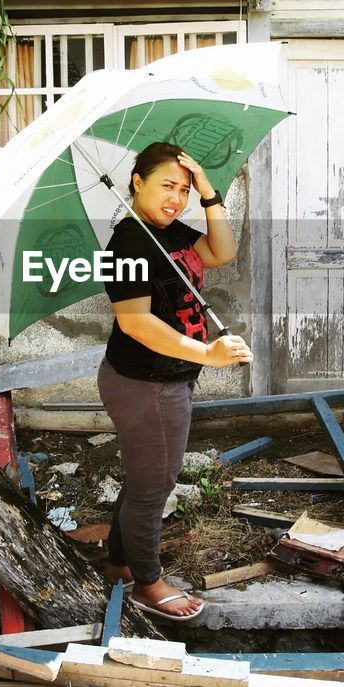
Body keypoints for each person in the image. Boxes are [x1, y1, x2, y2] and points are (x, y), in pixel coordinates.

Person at [98, 141, 253, 621]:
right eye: (167, 185)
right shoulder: (125, 244)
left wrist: (209, 194)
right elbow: (136, 324)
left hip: (165, 380)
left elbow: (221, 252)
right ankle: (147, 583)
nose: (176, 197)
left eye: (183, 189)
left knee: (144, 478)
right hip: (146, 384)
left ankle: (119, 565)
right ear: (136, 182)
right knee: (153, 487)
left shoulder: (169, 233)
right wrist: (208, 352)